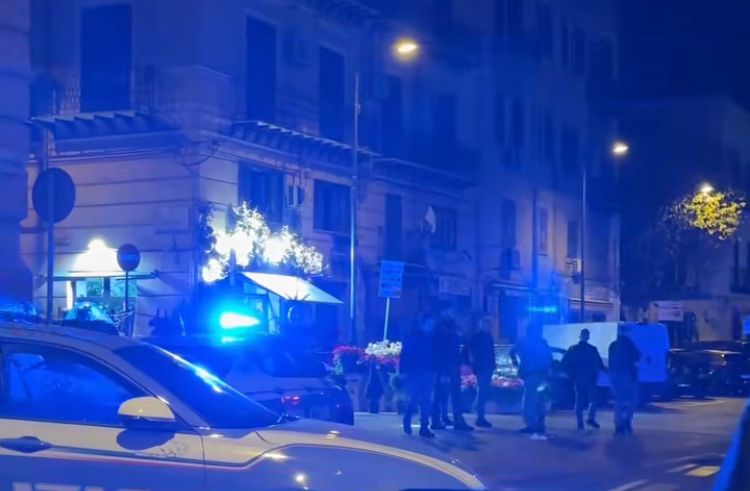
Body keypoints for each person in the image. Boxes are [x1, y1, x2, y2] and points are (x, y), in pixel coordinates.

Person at [431, 308, 474, 431]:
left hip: (452, 366)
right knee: (441, 394)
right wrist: (443, 371)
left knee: (452, 394)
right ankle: (437, 420)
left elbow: (459, 346)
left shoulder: (451, 328)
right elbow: (442, 351)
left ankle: (455, 420)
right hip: (445, 367)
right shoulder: (441, 330)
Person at [510, 322, 552, 440]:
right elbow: (549, 358)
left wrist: (517, 365)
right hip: (542, 376)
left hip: (530, 375)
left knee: (529, 402)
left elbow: (512, 353)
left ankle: (531, 425)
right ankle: (541, 425)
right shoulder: (542, 342)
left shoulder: (523, 341)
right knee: (540, 401)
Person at [400, 312, 436, 438]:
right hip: (414, 372)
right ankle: (407, 419)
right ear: (423, 323)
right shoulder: (413, 336)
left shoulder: (432, 338)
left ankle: (424, 426)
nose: (431, 325)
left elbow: (435, 356)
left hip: (428, 371)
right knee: (414, 398)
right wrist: (403, 371)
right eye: (429, 323)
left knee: (426, 400)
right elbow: (405, 355)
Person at [562, 328, 605, 430]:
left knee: (580, 400)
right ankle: (589, 419)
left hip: (579, 378)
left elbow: (564, 363)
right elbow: (599, 363)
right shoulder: (592, 349)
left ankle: (581, 422)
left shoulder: (573, 349)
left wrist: (569, 374)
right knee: (592, 400)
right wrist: (604, 370)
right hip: (590, 378)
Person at [608, 326, 641, 436]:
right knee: (632, 399)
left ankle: (618, 424)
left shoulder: (613, 345)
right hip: (627, 374)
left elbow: (611, 361)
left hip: (614, 375)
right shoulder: (629, 343)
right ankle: (627, 421)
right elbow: (637, 356)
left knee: (619, 400)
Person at [466, 317, 497, 428]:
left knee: (483, 391)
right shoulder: (478, 338)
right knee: (482, 391)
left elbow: (491, 352)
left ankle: (479, 413)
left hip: (486, 367)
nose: (487, 327)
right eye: (485, 324)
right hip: (482, 368)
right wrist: (473, 363)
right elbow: (468, 349)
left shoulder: (487, 337)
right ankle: (480, 416)